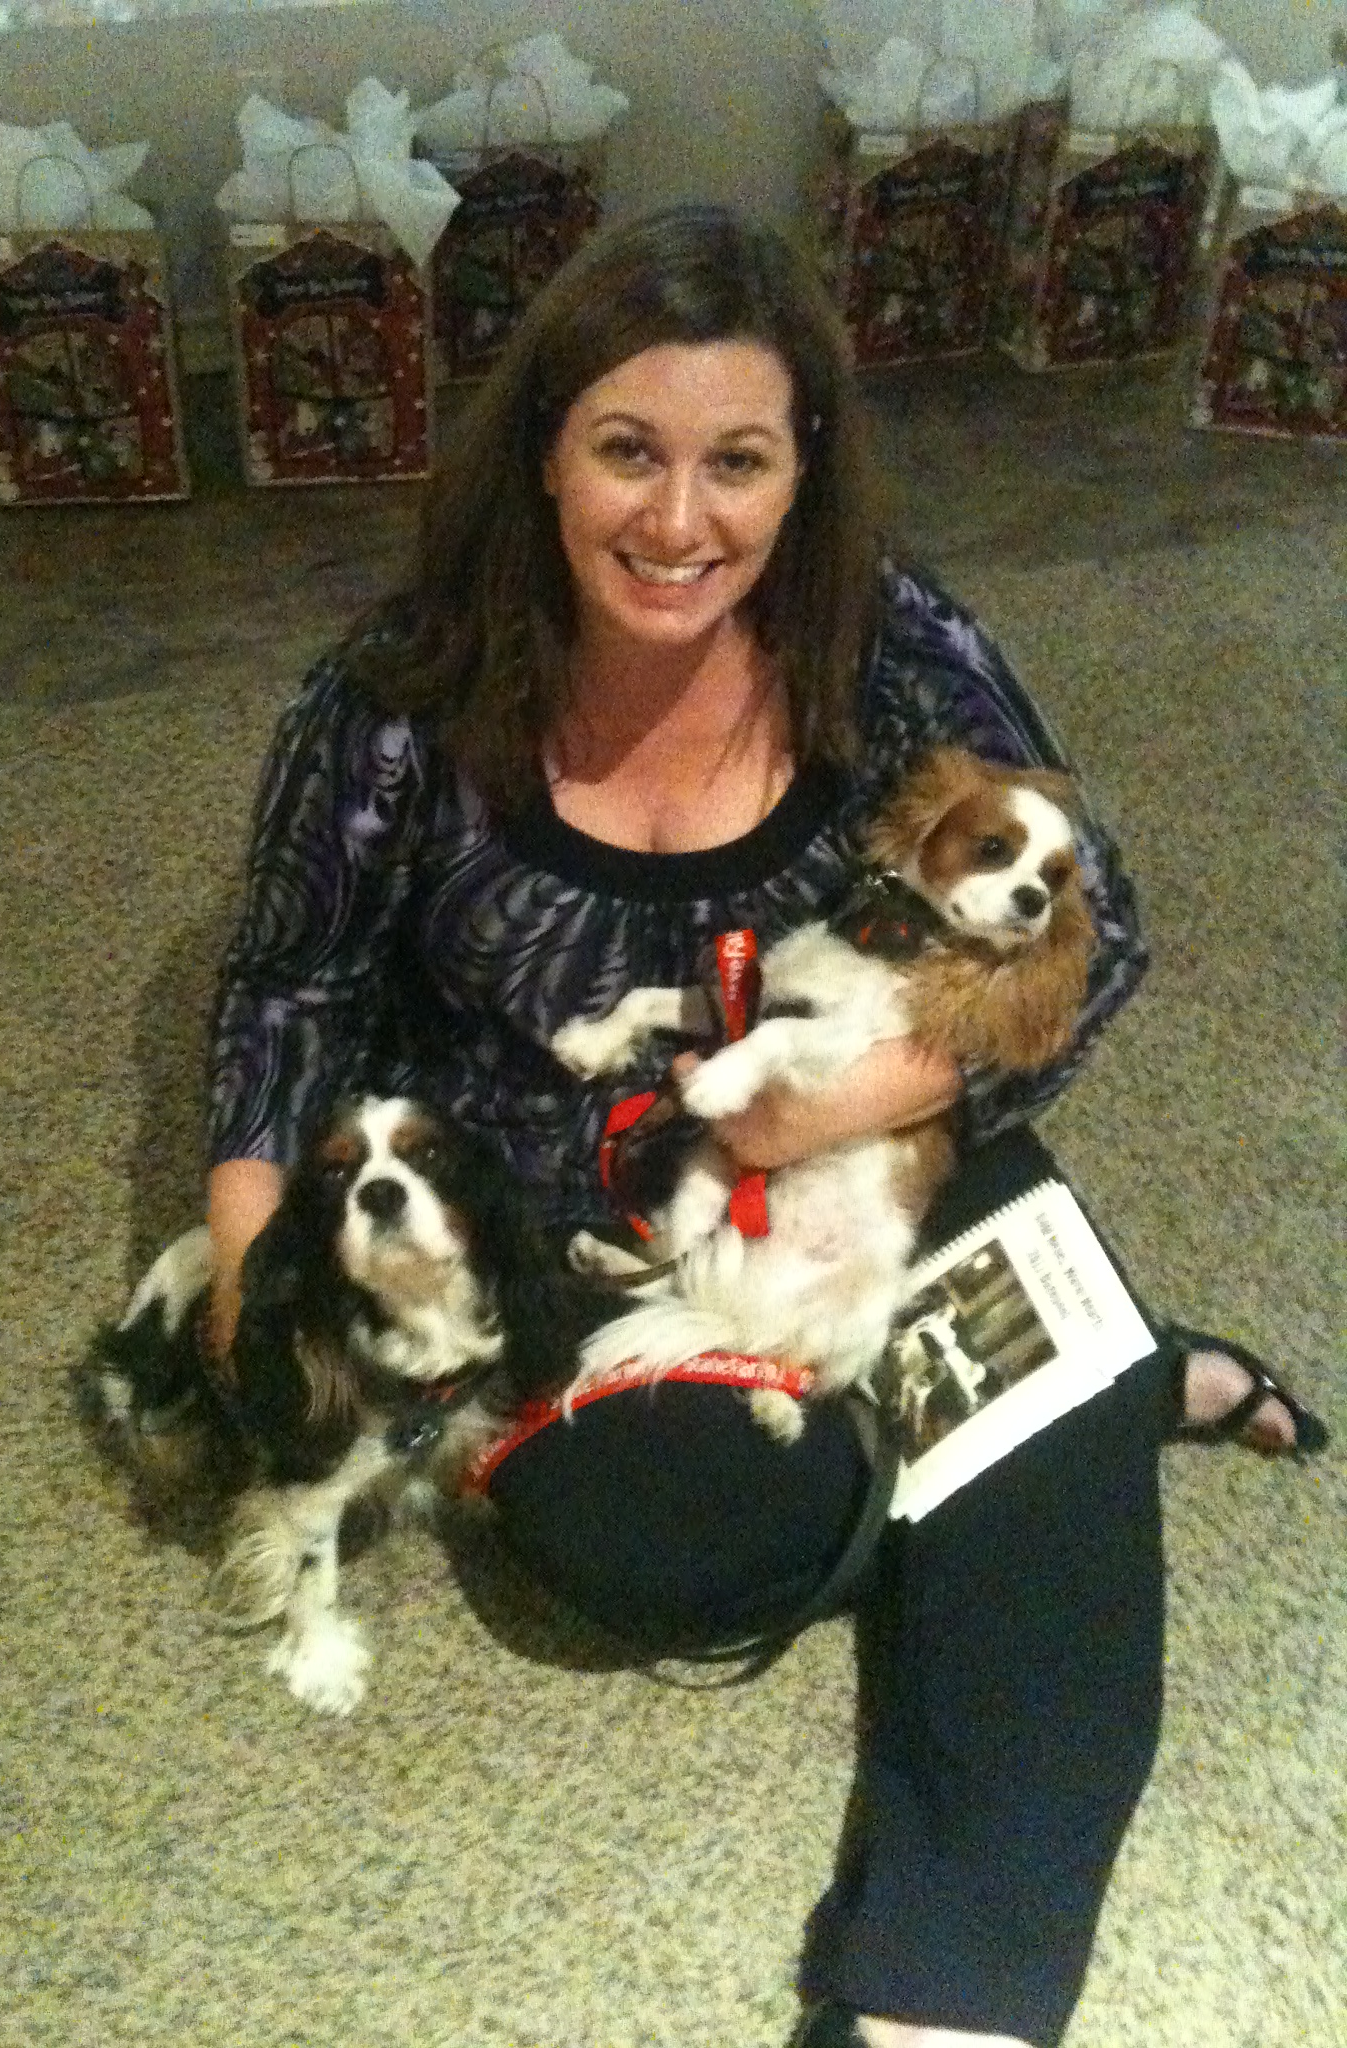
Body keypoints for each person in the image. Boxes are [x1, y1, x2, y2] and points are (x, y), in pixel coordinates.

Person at [200, 205, 1327, 2048]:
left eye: (738, 461)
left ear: (805, 469)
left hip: (875, 1146)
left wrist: (855, 1100)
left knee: (1031, 1456)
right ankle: (1089, 1382)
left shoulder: (884, 638)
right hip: (575, 1236)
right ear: (544, 452)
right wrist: (252, 1263)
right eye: (626, 452)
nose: (678, 520)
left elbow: (1098, 914)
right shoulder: (393, 694)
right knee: (679, 1542)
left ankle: (945, 2001)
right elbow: (284, 984)